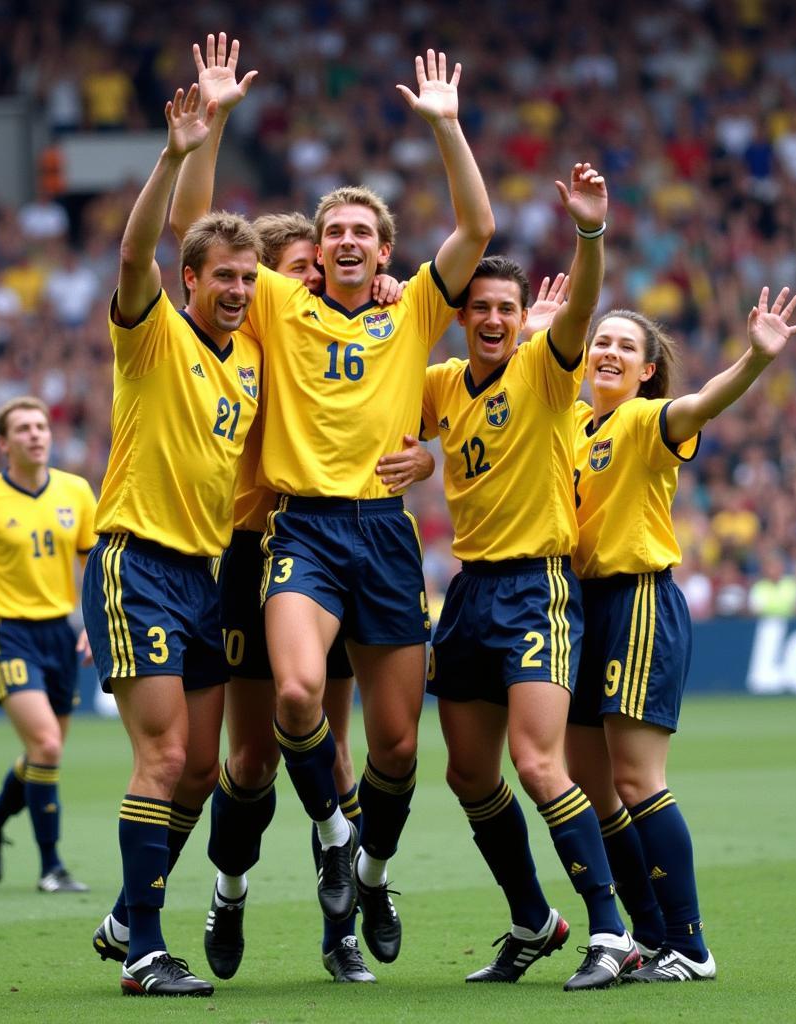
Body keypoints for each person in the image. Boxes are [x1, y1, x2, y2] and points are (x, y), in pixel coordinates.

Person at [171, 35, 494, 968]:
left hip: (383, 537)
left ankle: (365, 886)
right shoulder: (273, 304)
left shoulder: (412, 309)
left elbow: (474, 231)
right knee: (283, 716)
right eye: (332, 233)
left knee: (394, 751)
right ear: (311, 255)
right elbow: (199, 227)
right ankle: (316, 855)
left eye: (361, 233)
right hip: (289, 528)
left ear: (384, 249)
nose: (346, 245)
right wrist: (218, 119)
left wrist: (447, 126)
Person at [197, 210, 435, 984]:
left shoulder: (343, 329)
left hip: (341, 549)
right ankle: (227, 893)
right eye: (296, 266)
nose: (311, 277)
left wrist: (423, 459)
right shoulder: (253, 337)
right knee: (251, 756)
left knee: (334, 752)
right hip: (255, 549)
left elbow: (399, 407)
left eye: (315, 264)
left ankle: (340, 931)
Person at [422, 166, 642, 991]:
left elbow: (580, 309)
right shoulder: (442, 385)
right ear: (461, 315)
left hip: (536, 591)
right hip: (469, 591)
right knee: (469, 773)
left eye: (505, 310)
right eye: (477, 306)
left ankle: (611, 933)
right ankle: (530, 918)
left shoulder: (547, 370)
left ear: (522, 322)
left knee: (540, 763)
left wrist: (589, 234)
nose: (490, 319)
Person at [565, 286, 796, 982]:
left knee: (638, 778)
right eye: (601, 341)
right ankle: (646, 935)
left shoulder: (647, 420)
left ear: (646, 370)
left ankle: (691, 946)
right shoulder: (572, 424)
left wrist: (755, 359)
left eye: (624, 345)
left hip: (638, 600)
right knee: (587, 778)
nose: (608, 351)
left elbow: (702, 403)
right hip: (582, 608)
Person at [80, 83, 264, 998]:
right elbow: (130, 249)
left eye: (246, 279)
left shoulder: (250, 372)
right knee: (159, 759)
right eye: (222, 277)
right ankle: (147, 951)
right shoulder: (151, 335)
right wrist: (179, 150)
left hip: (205, 578)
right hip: (137, 564)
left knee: (199, 769)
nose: (236, 290)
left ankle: (125, 914)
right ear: (188, 280)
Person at [0, 396, 96, 894]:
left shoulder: (76, 491)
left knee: (44, 754)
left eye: (42, 426)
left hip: (59, 633)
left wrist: (94, 622)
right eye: (24, 428)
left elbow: (92, 561)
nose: (36, 434)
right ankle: (52, 867)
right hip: (8, 633)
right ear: (4, 443)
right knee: (46, 745)